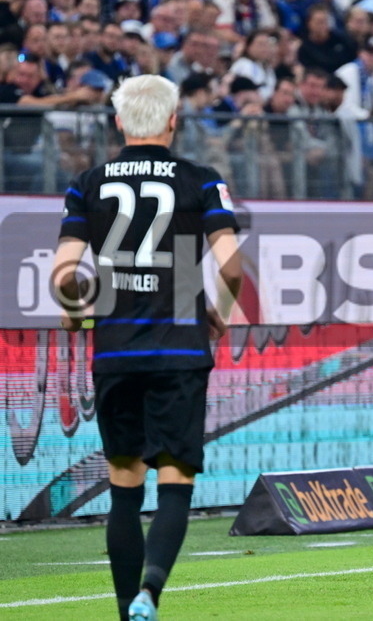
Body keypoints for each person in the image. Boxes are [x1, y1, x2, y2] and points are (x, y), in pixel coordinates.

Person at [51, 75, 242, 621]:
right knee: (175, 481)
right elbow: (231, 264)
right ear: (173, 119)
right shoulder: (201, 181)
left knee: (124, 488)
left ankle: (122, 609)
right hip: (179, 346)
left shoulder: (86, 183)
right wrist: (219, 313)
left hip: (114, 351)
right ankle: (150, 593)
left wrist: (73, 308)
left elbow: (66, 271)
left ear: (118, 122)